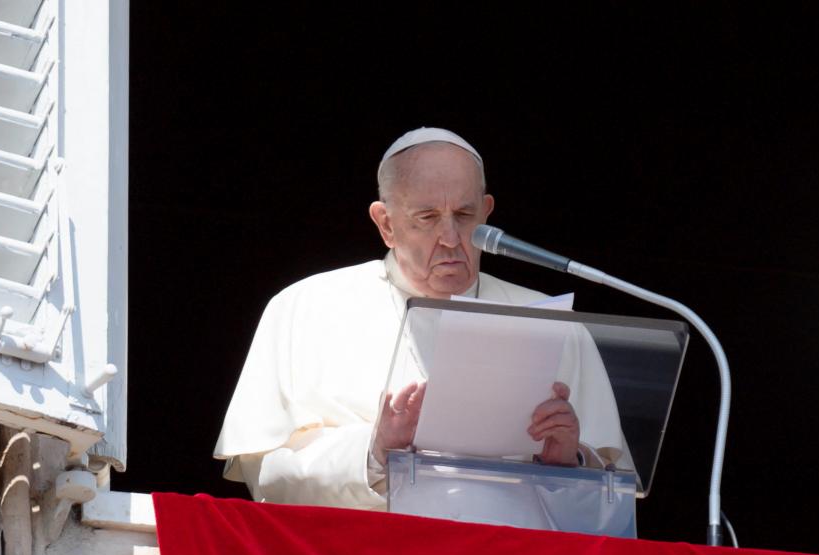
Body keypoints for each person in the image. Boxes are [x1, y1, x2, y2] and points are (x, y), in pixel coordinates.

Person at [215, 128, 625, 509]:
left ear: (486, 212)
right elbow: (265, 476)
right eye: (427, 218)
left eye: (464, 216)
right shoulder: (306, 308)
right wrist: (374, 451)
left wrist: (570, 462)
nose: (450, 238)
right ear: (386, 224)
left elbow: (614, 498)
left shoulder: (549, 322)